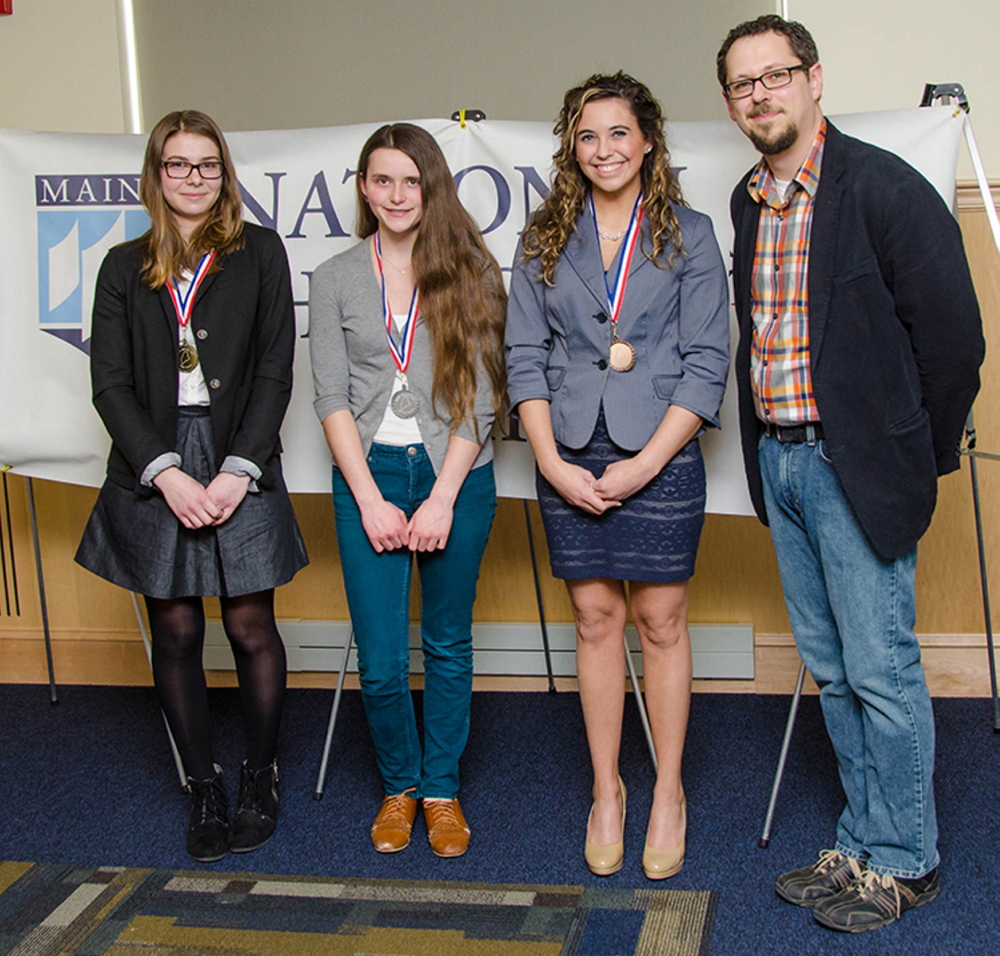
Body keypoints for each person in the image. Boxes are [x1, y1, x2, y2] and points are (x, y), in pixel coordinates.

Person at [717, 15, 984, 932]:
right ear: (731, 103)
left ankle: (909, 861)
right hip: (781, 462)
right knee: (830, 671)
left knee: (882, 671)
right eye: (742, 84)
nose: (761, 93)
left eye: (776, 75)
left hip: (854, 468)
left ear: (815, 78)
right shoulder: (749, 200)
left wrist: (911, 451)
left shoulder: (884, 187)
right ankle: (862, 842)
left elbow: (955, 344)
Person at [506, 73, 730, 880]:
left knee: (661, 621)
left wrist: (644, 463)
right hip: (566, 451)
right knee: (595, 618)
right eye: (588, 135)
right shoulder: (541, 236)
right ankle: (609, 790)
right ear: (572, 147)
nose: (604, 149)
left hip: (659, 450)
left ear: (647, 143)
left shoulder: (691, 234)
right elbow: (522, 359)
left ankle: (668, 790)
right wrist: (551, 462)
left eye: (618, 133)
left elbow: (709, 363)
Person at [75, 110, 308, 863]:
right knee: (176, 630)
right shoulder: (121, 265)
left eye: (207, 164)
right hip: (155, 461)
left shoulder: (260, 252)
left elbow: (277, 369)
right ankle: (203, 784)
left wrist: (240, 470)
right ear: (156, 174)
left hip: (242, 450)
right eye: (178, 165)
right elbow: (108, 384)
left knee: (248, 626)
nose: (194, 178)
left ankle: (259, 776)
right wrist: (166, 472)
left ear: (224, 173)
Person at [309, 123, 506, 859]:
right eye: (382, 180)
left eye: (411, 181)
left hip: (457, 473)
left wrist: (444, 497)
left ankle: (441, 789)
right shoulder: (332, 278)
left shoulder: (471, 270)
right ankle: (400, 784)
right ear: (364, 187)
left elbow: (482, 400)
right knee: (384, 657)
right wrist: (368, 498)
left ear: (432, 188)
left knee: (448, 643)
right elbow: (329, 397)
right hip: (371, 476)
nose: (397, 195)